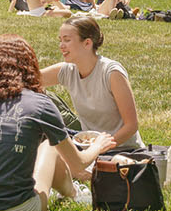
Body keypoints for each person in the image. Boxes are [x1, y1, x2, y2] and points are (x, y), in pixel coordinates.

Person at [0, 35, 117, 211]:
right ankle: (73, 193)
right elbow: (78, 164)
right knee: (49, 146)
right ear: (30, 66)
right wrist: (97, 145)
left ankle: (71, 192)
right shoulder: (40, 104)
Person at [37, 18, 144, 151]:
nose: (61, 45)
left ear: (87, 43)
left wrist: (99, 149)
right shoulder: (68, 70)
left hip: (124, 150)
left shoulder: (111, 73)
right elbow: (29, 80)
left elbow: (131, 126)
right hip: (90, 149)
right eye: (60, 40)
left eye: (67, 40)